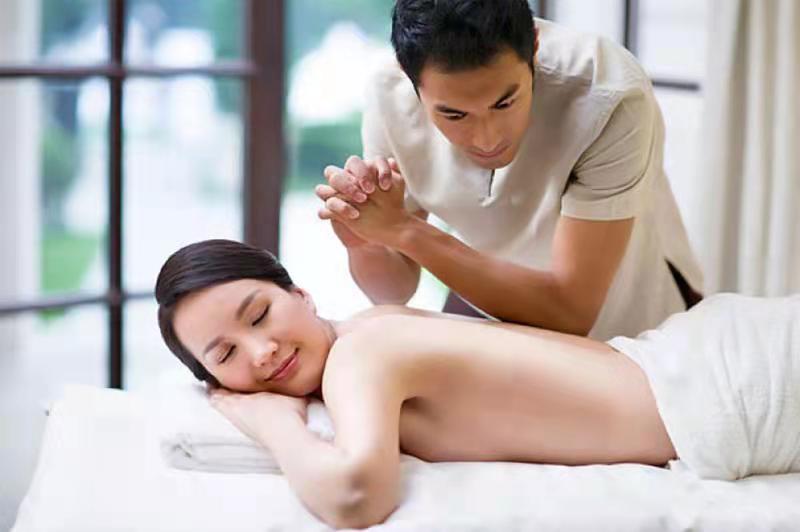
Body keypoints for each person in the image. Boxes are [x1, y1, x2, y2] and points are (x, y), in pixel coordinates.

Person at [155, 240, 800, 530]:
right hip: (711, 366)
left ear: (300, 293)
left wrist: (270, 422)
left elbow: (355, 497)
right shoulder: (373, 330)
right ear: (212, 378)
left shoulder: (361, 354)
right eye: (226, 354)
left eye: (260, 315)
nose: (262, 351)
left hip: (733, 386)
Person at [315, 0, 703, 340]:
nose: (487, 139)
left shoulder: (607, 96)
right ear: (407, 73)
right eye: (454, 115)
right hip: (489, 297)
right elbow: (392, 293)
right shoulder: (389, 95)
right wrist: (366, 243)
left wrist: (403, 230)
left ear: (534, 45)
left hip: (629, 320)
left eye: (504, 103)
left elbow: (571, 313)